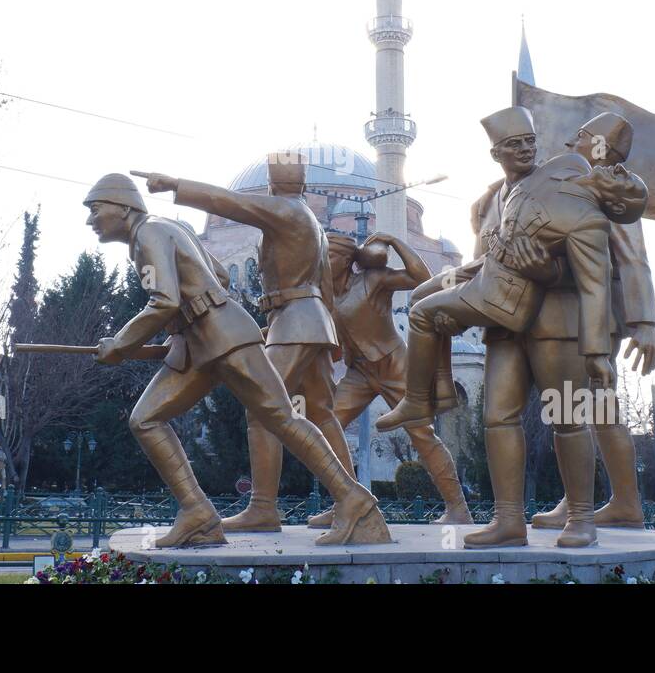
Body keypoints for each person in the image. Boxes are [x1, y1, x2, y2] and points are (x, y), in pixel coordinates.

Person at [377, 106, 649, 549]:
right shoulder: (494, 200)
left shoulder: (580, 193)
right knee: (496, 417)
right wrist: (445, 289)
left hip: (558, 325)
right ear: (497, 152)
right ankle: (508, 521)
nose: (526, 149)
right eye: (514, 144)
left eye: (529, 142)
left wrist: (606, 339)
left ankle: (581, 518)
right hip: (502, 322)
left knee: (568, 417)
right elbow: (486, 261)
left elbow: (600, 274)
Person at [86, 172, 389, 547]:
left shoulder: (148, 234)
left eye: (96, 209)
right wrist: (180, 331)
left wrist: (120, 342)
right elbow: (219, 276)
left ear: (122, 206)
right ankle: (198, 513)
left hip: (224, 338)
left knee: (279, 416)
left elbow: (163, 300)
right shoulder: (164, 229)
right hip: (204, 340)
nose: (91, 220)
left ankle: (353, 501)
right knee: (147, 418)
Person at [138, 153, 349, 533]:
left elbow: (231, 202)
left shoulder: (286, 211)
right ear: (301, 184)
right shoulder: (310, 220)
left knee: (263, 407)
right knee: (320, 413)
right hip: (308, 322)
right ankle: (345, 501)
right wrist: (330, 335)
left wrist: (175, 185)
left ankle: (264, 508)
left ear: (271, 185)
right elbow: (328, 285)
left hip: (296, 320)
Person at [527, 113, 655, 532]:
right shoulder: (579, 183)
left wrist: (644, 323)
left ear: (603, 148)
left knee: (581, 407)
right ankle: (597, 500)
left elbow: (634, 256)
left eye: (582, 136)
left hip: (596, 315)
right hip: (585, 312)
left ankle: (613, 503)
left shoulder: (609, 185)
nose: (571, 142)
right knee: (591, 408)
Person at [307, 231, 473, 528]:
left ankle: (458, 508)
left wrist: (395, 241)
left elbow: (421, 278)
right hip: (359, 372)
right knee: (326, 425)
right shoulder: (324, 295)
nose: (323, 260)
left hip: (396, 366)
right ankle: (346, 502)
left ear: (347, 260)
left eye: (329, 255)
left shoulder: (373, 280)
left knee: (422, 435)